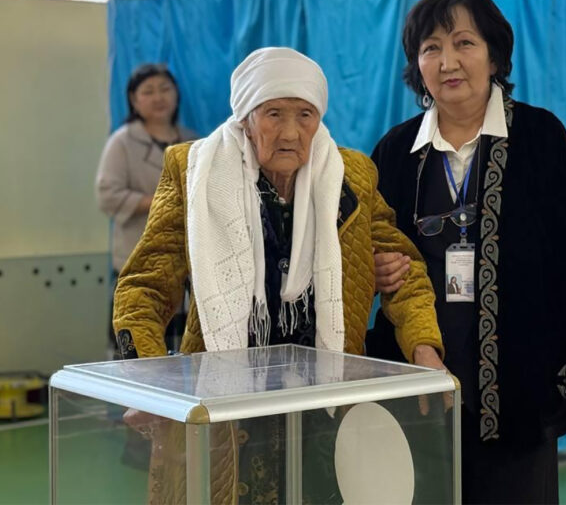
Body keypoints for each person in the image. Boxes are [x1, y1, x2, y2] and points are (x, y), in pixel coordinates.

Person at [113, 47, 446, 503]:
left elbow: (404, 270)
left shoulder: (351, 176)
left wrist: (424, 348)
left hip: (323, 406)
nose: (291, 132)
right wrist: (147, 382)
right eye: (274, 114)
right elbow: (144, 286)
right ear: (246, 117)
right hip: (225, 407)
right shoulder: (195, 172)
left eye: (305, 115)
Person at [367, 0, 566, 504]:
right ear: (416, 65)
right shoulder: (395, 151)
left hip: (522, 380)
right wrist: (373, 271)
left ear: (495, 56)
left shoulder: (540, 136)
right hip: (416, 379)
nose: (447, 62)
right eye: (430, 48)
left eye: (464, 43)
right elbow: (368, 249)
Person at [95, 64, 199, 354]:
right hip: (137, 259)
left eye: (165, 89)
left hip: (185, 263)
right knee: (138, 352)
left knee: (180, 354)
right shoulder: (123, 142)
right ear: (133, 99)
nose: (158, 97)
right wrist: (160, 202)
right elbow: (107, 195)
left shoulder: (191, 140)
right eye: (148, 91)